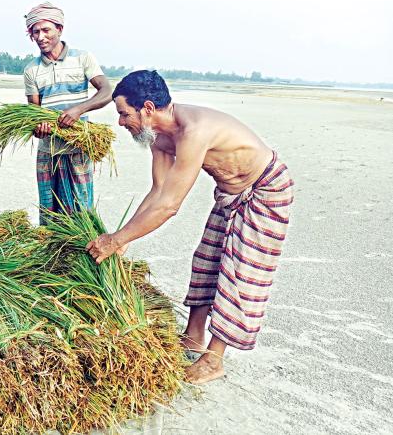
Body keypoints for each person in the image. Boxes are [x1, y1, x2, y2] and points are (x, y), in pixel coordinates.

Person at [85, 70, 294, 384]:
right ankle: (194, 336)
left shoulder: (194, 131)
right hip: (231, 195)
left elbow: (170, 205)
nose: (120, 122)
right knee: (206, 261)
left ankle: (213, 360)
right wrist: (123, 239)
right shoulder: (158, 137)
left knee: (238, 271)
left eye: (124, 114)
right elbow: (157, 191)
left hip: (266, 191)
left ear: (148, 108)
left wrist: (117, 239)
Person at [22, 2, 113, 225]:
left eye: (46, 30)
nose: (41, 37)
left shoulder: (82, 58)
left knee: (81, 210)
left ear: (59, 29)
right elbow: (34, 114)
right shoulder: (31, 70)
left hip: (78, 148)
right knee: (50, 211)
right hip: (48, 151)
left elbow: (107, 91)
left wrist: (78, 110)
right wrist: (39, 128)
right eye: (35, 32)